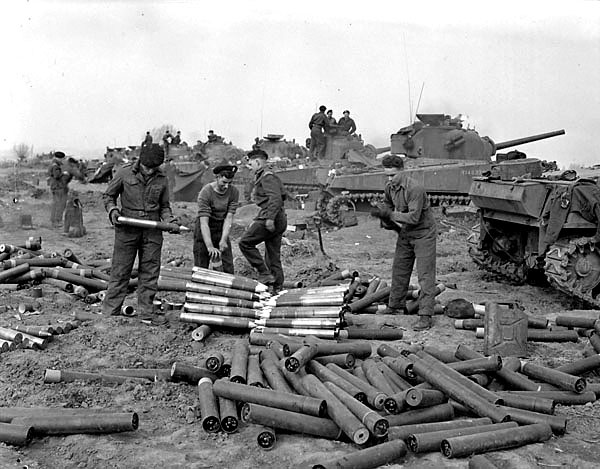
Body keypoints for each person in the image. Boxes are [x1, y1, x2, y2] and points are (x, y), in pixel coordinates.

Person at [101, 143, 177, 326]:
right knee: (120, 271)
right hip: (127, 227)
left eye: (153, 168)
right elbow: (108, 196)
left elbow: (165, 206)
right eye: (146, 167)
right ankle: (110, 314)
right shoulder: (124, 173)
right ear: (140, 161)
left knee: (150, 272)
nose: (150, 171)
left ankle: (146, 313)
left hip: (152, 230)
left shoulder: (162, 178)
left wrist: (170, 221)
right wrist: (113, 212)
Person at [370, 154, 437, 331]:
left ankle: (425, 315)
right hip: (406, 233)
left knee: (425, 274)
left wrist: (390, 215)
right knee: (399, 269)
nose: (389, 179)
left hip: (423, 233)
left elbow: (414, 217)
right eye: (387, 175)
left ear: (402, 171)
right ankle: (395, 305)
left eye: (392, 175)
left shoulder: (415, 188)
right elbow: (387, 206)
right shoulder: (390, 188)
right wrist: (382, 213)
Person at [239, 149, 287, 290]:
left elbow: (276, 198)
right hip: (278, 216)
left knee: (245, 243)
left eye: (251, 163)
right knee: (273, 256)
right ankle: (277, 286)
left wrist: (270, 218)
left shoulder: (267, 177)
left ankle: (264, 274)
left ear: (258, 162)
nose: (250, 166)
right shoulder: (267, 175)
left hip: (271, 216)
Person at [194, 164, 239, 274]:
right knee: (201, 266)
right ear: (217, 177)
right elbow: (204, 222)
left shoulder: (234, 192)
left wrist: (223, 239)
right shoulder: (206, 192)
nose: (227, 186)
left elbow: (228, 218)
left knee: (227, 266)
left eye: (230, 183)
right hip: (205, 227)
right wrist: (209, 246)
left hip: (221, 227)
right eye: (224, 182)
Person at [47, 151, 73, 228]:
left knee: (56, 204)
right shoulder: (55, 166)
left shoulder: (53, 164)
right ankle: (57, 221)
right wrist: (64, 174)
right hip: (58, 187)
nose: (63, 160)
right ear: (59, 158)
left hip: (56, 187)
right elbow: (57, 175)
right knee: (60, 205)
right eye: (62, 159)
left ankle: (54, 221)